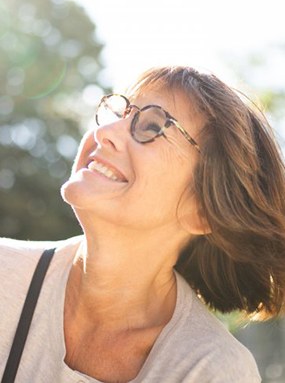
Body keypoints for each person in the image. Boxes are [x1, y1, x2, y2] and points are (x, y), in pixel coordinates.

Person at [1, 66, 285, 383]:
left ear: (204, 211)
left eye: (152, 126)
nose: (104, 134)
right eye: (118, 113)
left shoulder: (212, 370)